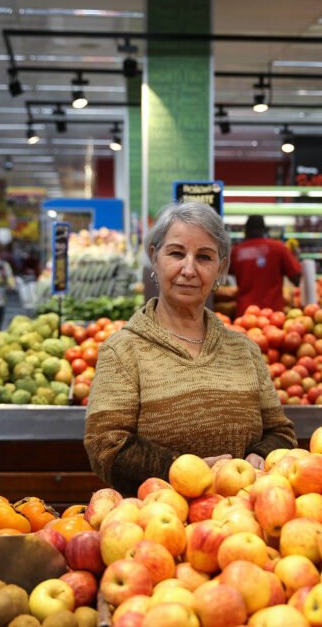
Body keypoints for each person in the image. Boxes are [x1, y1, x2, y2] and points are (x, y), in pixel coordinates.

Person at [84, 202, 297, 495]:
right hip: (156, 523)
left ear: (221, 268)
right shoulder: (122, 351)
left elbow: (280, 433)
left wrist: (261, 455)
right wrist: (181, 471)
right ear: (154, 257)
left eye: (204, 257)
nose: (189, 269)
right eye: (176, 253)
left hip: (241, 522)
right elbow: (106, 447)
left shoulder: (245, 350)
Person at [229, 215, 302, 316]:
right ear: (264, 230)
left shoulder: (236, 252)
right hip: (273, 315)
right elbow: (296, 278)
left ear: (246, 231)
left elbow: (223, 275)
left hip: (245, 314)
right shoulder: (279, 248)